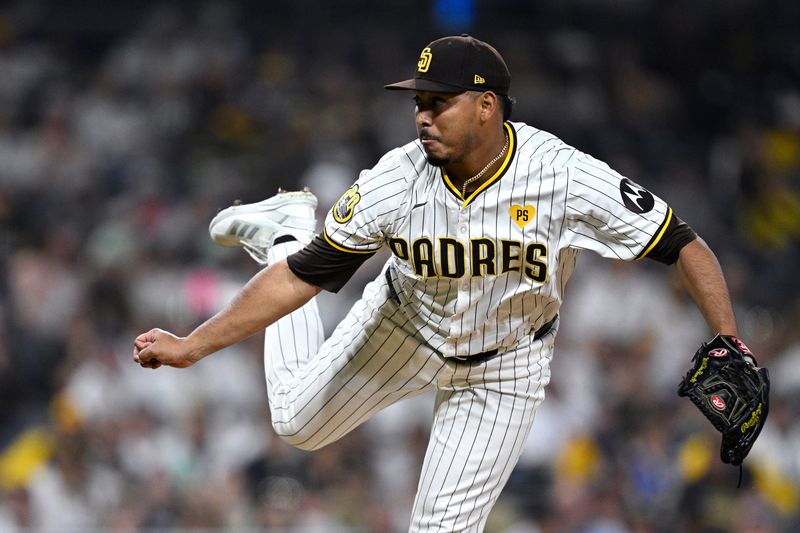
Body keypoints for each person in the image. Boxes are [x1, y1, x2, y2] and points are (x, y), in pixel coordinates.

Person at [133, 35, 742, 532]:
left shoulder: (560, 175)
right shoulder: (396, 180)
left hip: (507, 366)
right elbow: (302, 281)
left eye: (440, 100)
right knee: (295, 423)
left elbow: (681, 240)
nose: (423, 114)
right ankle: (288, 230)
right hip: (407, 326)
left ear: (487, 105)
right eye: (419, 100)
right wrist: (193, 345)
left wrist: (728, 338)